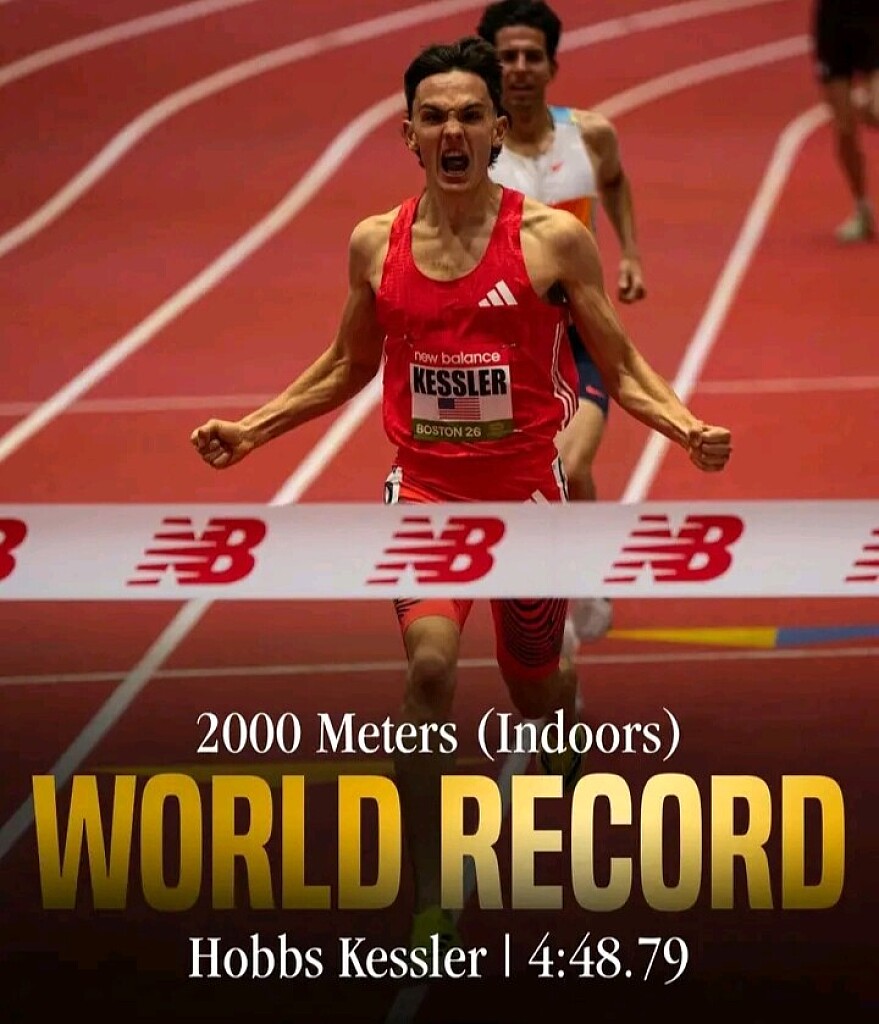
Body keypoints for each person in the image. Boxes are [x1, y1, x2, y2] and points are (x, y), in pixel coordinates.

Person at [190, 37, 731, 952]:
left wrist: (684, 427)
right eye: (434, 116)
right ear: (408, 134)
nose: (453, 130)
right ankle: (431, 886)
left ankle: (563, 719)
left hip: (525, 500)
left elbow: (620, 363)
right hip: (426, 496)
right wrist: (253, 428)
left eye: (470, 115)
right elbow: (345, 365)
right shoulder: (376, 243)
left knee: (535, 686)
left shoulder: (550, 240)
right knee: (431, 668)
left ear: (495, 132)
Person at [477, 0, 645, 649]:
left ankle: (585, 575)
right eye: (506, 57)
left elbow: (616, 182)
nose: (519, 68)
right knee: (522, 484)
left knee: (570, 466)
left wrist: (629, 254)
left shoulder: (590, 135)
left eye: (531, 56)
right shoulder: (474, 149)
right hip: (505, 348)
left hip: (578, 336)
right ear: (489, 66)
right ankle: (543, 615)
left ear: (551, 65)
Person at [812, 0, 879, 242]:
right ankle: (862, 210)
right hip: (833, 23)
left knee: (876, 110)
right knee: (844, 126)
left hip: (872, 16)